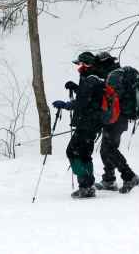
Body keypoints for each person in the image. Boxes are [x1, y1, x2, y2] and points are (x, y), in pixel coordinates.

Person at [52, 55, 106, 199]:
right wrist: (76, 87)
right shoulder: (96, 79)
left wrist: (65, 105)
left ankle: (85, 186)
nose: (79, 68)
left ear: (87, 65)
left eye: (81, 65)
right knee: (85, 154)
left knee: (72, 152)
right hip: (94, 123)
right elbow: (90, 97)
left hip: (87, 123)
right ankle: (89, 186)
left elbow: (83, 102)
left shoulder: (90, 80)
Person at [88, 52, 139, 193]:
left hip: (115, 118)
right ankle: (109, 180)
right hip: (120, 118)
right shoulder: (119, 75)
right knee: (106, 149)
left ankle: (129, 176)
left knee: (109, 149)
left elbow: (109, 100)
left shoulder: (112, 77)